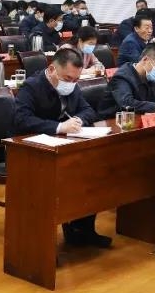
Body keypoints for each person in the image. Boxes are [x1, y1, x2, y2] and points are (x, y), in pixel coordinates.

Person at [13, 48, 108, 247]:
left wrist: (78, 119)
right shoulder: (32, 86)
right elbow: (21, 120)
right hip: (30, 151)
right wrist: (58, 127)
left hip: (62, 147)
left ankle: (82, 230)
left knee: (93, 171)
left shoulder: (72, 85)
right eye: (68, 78)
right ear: (51, 70)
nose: (71, 83)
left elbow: (88, 110)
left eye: (76, 80)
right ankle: (40, 242)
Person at [102, 45, 155, 119]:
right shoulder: (122, 77)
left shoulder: (150, 76)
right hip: (113, 120)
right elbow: (126, 103)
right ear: (145, 60)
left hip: (137, 118)